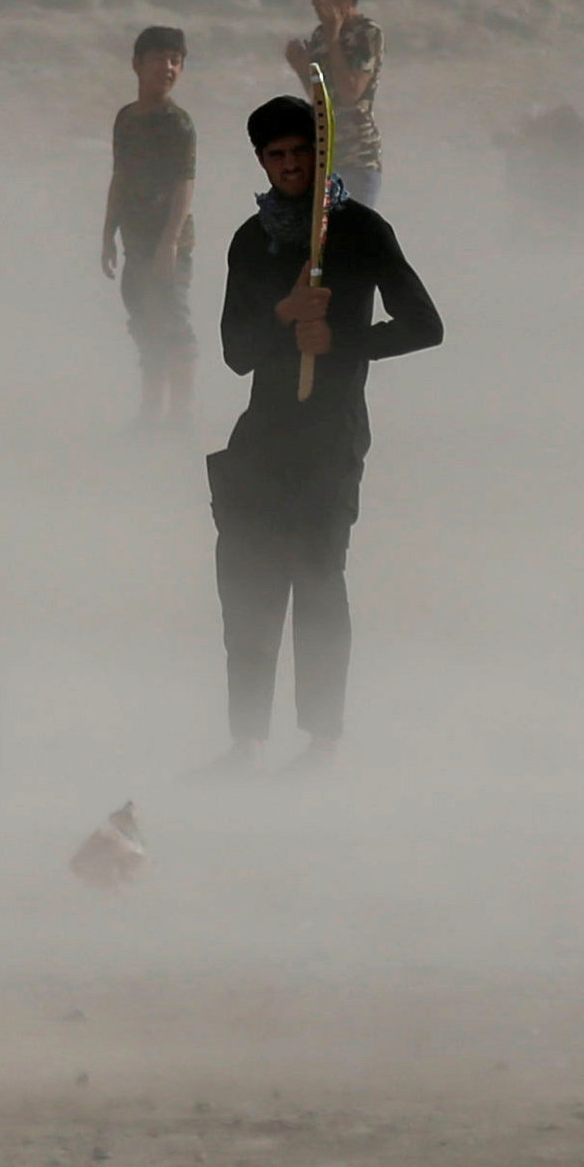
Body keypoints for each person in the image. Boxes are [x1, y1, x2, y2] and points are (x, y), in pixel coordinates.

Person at [206, 95, 444, 775]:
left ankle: (322, 744)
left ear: (320, 155)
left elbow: (426, 325)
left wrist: (339, 340)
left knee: (317, 584)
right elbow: (234, 351)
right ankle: (245, 743)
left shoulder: (363, 231)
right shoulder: (253, 241)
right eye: (275, 156)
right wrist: (284, 311)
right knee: (247, 590)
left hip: (332, 438)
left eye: (300, 153)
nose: (289, 166)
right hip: (260, 441)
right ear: (261, 161)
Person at [100, 23, 198, 431]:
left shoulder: (178, 124)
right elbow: (120, 176)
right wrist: (107, 233)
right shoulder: (126, 119)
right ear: (138, 64)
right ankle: (151, 410)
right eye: (159, 59)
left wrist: (170, 242)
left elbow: (184, 183)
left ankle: (181, 416)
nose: (168, 68)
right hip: (134, 241)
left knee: (174, 325)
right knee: (144, 324)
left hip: (169, 244)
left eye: (175, 61)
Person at [280, 0, 383, 208]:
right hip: (325, 158)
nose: (315, 3)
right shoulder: (319, 36)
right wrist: (302, 68)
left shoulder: (367, 34)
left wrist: (334, 39)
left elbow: (350, 92)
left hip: (357, 158)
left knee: (352, 239)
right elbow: (321, 98)